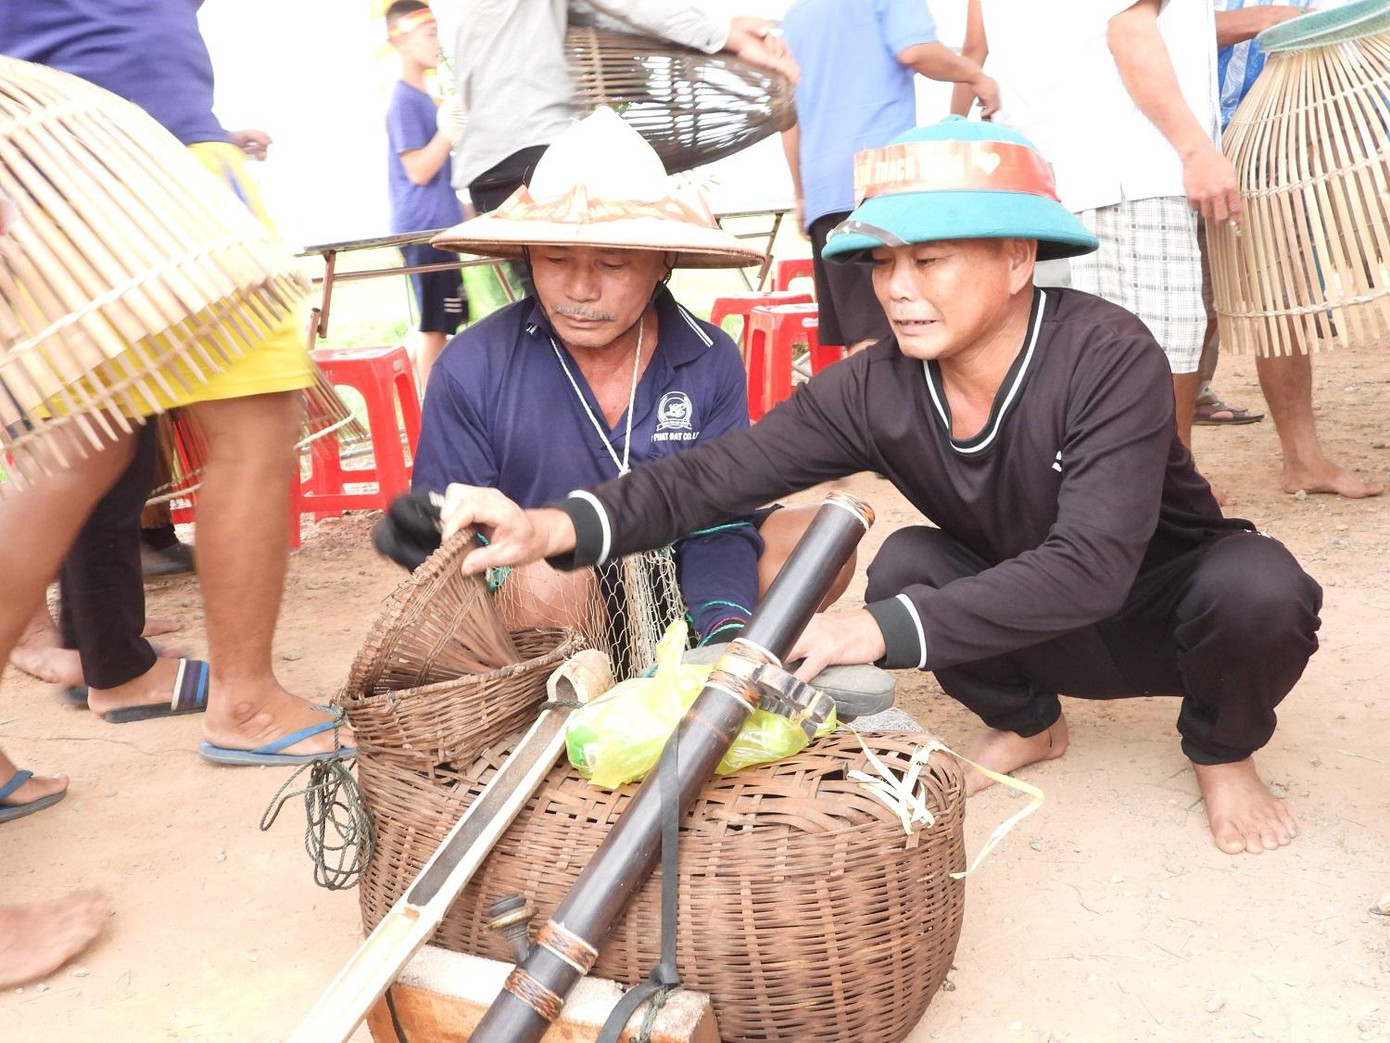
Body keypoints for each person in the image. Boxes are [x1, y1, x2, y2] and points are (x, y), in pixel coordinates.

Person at [435, 118, 1323, 858]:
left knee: (1259, 584)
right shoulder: (876, 383)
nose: (896, 292)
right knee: (905, 563)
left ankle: (1223, 747)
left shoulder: (1107, 352)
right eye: (881, 265)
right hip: (1010, 614)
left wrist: (870, 629)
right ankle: (1031, 721)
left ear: (1018, 259)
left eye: (928, 262)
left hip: (1157, 609)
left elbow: (1091, 566)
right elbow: (715, 479)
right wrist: (551, 527)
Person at [0, 0, 348, 762]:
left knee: (75, 452)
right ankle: (248, 706)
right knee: (252, 424)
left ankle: (226, 696)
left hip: (72, 155)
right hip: (122, 155)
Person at [414, 108, 848, 651]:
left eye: (613, 265)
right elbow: (444, 552)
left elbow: (718, 521)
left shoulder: (711, 358)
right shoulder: (470, 366)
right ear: (527, 255)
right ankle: (566, 691)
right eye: (554, 258)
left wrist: (725, 628)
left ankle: (698, 654)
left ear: (662, 259)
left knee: (824, 540)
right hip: (543, 613)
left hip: (681, 586)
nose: (579, 289)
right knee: (550, 576)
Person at [954, 0, 1236, 472]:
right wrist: (1196, 150)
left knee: (1074, 345)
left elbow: (977, 46)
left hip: (1050, 162)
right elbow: (1129, 29)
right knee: (1158, 342)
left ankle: (1115, 483)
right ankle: (1163, 490)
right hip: (1127, 164)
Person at [1195, 1, 1381, 498]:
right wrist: (1261, 20)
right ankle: (1175, 472)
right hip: (1191, 143)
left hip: (1275, 145)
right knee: (1189, 314)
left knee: (1283, 301)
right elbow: (1143, 30)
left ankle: (1303, 459)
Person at [780, 0, 999, 354]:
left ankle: (856, 409)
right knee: (889, 331)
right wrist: (975, 75)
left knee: (859, 334)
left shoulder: (797, 15)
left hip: (824, 189)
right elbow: (916, 51)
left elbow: (786, 117)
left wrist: (802, 193)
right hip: (880, 181)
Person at [452, 3, 799, 217]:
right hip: (531, 157)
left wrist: (724, 31)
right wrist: (726, 36)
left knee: (562, 309)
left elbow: (607, 16)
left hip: (494, 165)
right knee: (602, 297)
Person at [385, 0, 468, 388]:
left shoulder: (424, 101)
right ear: (399, 39)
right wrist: (447, 134)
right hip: (422, 231)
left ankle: (421, 409)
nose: (438, 42)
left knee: (440, 322)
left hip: (439, 228)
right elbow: (418, 170)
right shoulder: (403, 99)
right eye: (430, 33)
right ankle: (430, 422)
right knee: (435, 327)